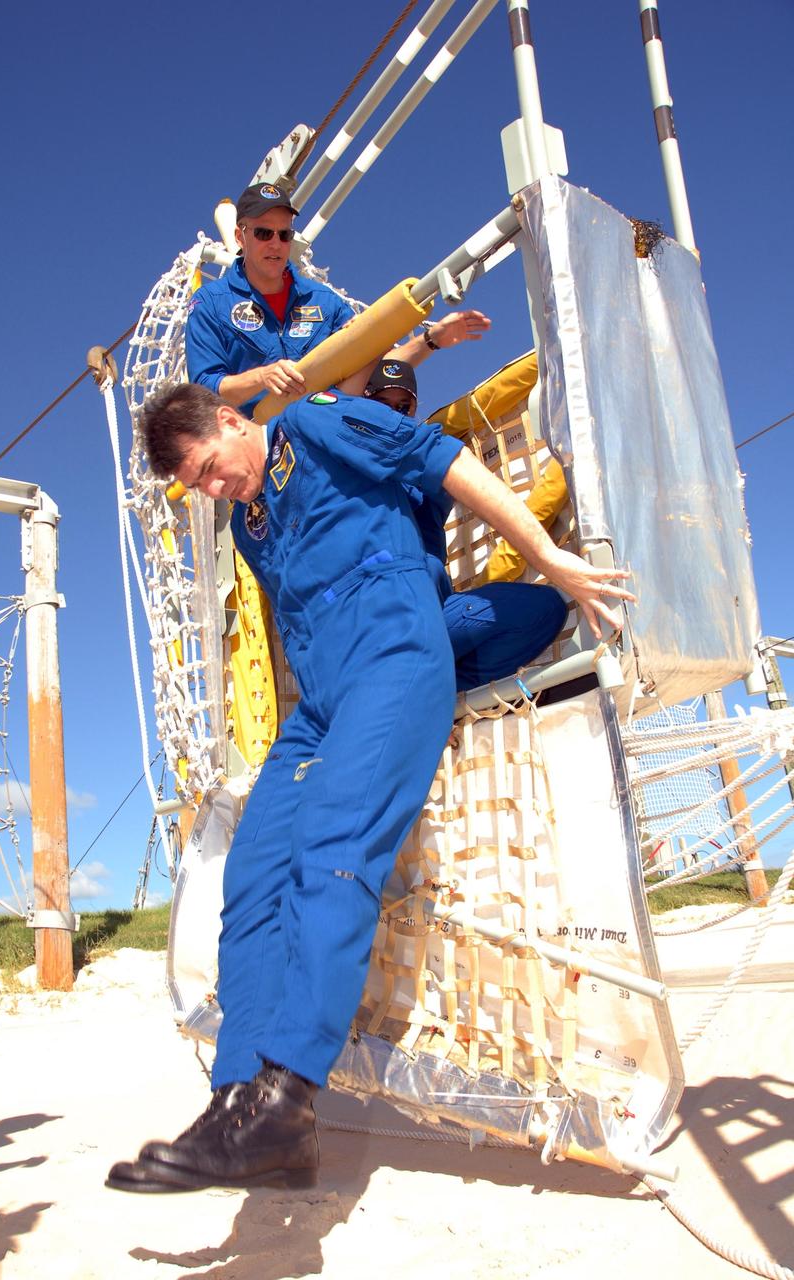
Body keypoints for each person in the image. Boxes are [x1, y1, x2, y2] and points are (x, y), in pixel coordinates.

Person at [106, 382, 633, 1194]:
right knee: (250, 880)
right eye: (198, 487)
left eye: (212, 467)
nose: (214, 490)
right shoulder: (249, 526)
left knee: (333, 847)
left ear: (232, 420)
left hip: (393, 655)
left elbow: (444, 460)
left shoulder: (316, 425)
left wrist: (551, 559)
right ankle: (238, 1104)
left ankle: (287, 1094)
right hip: (319, 706)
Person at [185, 181, 490, 417]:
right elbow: (204, 395)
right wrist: (261, 378)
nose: (276, 244)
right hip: (260, 455)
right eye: (264, 234)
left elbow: (376, 369)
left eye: (284, 235)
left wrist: (432, 339)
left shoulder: (323, 301)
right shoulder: (210, 305)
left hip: (327, 439)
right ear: (240, 237)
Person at [363, 359, 567, 691]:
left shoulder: (426, 461)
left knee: (544, 609)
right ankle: (405, 686)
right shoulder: (339, 464)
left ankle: (432, 690)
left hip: (431, 615)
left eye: (403, 407)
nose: (392, 413)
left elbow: (460, 472)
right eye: (380, 403)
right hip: (376, 627)